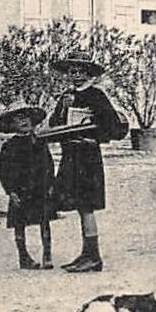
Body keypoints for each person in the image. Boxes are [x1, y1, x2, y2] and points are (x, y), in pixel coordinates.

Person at [49, 54, 128, 273]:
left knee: (87, 205)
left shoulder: (96, 95)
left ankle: (93, 256)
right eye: (71, 72)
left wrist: (95, 137)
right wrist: (63, 108)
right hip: (71, 155)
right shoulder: (66, 96)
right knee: (78, 204)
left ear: (88, 73)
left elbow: (111, 125)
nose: (75, 75)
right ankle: (86, 253)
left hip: (88, 156)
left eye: (80, 71)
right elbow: (55, 124)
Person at [0, 102, 60, 270]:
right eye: (18, 118)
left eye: (27, 117)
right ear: (11, 125)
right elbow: (4, 170)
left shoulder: (39, 142)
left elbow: (49, 165)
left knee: (44, 221)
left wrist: (51, 184)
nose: (24, 121)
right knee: (19, 223)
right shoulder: (9, 146)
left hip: (40, 188)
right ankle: (23, 256)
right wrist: (10, 191)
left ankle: (47, 255)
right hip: (20, 190)